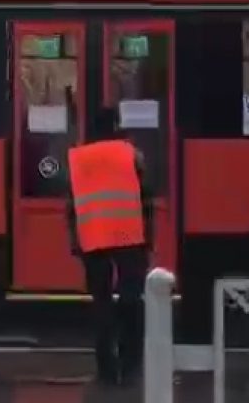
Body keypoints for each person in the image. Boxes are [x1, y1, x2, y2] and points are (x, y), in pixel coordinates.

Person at [65, 107, 151, 387]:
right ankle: (131, 365)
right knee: (131, 300)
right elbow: (145, 198)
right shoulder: (130, 154)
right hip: (129, 235)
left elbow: (71, 206)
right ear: (116, 125)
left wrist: (75, 241)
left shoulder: (79, 158)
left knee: (101, 303)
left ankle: (105, 368)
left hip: (93, 236)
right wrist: (149, 238)